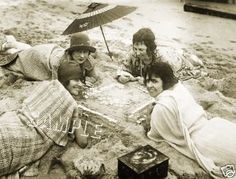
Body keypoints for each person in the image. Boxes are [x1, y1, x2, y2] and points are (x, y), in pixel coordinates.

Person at [143, 62, 236, 178]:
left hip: (203, 142)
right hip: (215, 126)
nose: (149, 85)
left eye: (154, 81)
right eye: (147, 81)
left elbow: (153, 135)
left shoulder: (162, 107)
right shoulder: (179, 88)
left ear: (164, 81)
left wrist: (148, 116)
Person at [0, 61, 90, 177]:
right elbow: (83, 142)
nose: (80, 84)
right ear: (66, 79)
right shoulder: (70, 103)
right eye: (76, 80)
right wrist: (76, 117)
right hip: (23, 135)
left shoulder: (48, 85)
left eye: (81, 81)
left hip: (12, 121)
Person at [0, 32, 98, 87]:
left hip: (48, 50)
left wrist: (89, 81)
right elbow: (55, 85)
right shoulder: (58, 62)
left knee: (28, 49)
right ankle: (8, 44)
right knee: (21, 56)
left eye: (85, 52)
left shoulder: (88, 61)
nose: (82, 56)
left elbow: (94, 76)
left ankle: (12, 43)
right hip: (39, 58)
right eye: (78, 51)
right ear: (71, 51)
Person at [116, 28, 206, 84]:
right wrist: (122, 76)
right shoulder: (133, 54)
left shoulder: (162, 59)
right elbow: (123, 68)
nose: (137, 53)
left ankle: (189, 57)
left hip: (178, 63)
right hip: (169, 55)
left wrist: (147, 81)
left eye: (141, 50)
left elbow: (172, 79)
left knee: (192, 63)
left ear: (150, 48)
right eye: (135, 48)